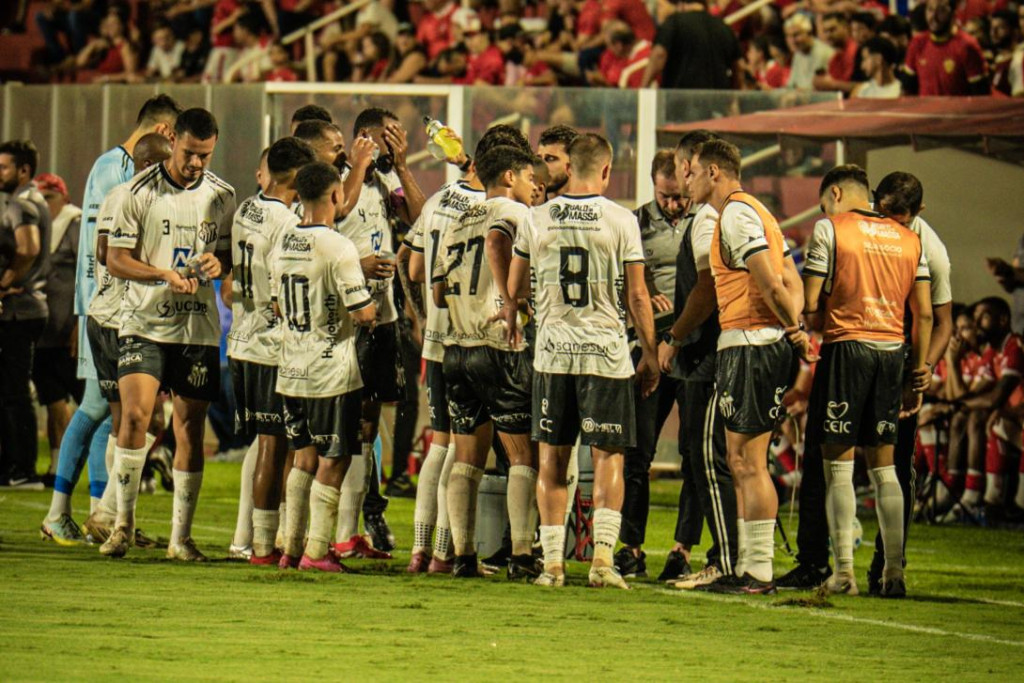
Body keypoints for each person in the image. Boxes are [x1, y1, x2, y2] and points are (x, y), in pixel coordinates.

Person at [778, 171, 954, 593]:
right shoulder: (912, 240)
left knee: (837, 466)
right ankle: (893, 572)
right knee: (886, 468)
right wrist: (918, 368)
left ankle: (843, 573)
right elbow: (926, 315)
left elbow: (812, 302)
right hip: (892, 353)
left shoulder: (833, 228)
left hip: (847, 348)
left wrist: (800, 309)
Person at [509, 133, 660, 589]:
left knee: (552, 460)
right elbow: (638, 295)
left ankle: (553, 565)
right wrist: (651, 353)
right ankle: (602, 561)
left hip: (554, 353)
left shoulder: (536, 217)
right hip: (605, 355)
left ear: (569, 167)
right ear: (607, 170)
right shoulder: (622, 220)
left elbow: (515, 288)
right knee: (608, 458)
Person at [101, 108, 236, 561]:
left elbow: (225, 259)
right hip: (144, 323)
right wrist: (162, 274)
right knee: (135, 417)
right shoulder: (135, 192)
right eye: (189, 153)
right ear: (173, 140)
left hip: (197, 328)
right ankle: (122, 525)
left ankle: (181, 539)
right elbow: (115, 259)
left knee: (189, 429)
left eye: (205, 155)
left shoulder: (222, 195)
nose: (196, 163)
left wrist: (219, 265)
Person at [685, 138, 808, 594]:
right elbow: (791, 279)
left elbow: (774, 284)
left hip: (752, 344)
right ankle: (747, 566)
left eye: (692, 172)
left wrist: (794, 328)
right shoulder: (757, 212)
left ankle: (758, 570)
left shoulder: (736, 215)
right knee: (739, 460)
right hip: (754, 342)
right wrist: (791, 324)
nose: (687, 181)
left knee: (749, 462)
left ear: (714, 171)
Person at [59, 95, 182, 544]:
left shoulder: (112, 169)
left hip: (109, 312)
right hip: (113, 316)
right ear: (165, 133)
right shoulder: (121, 176)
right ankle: (81, 513)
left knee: (116, 415)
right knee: (108, 413)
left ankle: (103, 513)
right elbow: (105, 254)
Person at [434, 144, 539, 579]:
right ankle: (521, 556)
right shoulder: (514, 213)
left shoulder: (458, 220)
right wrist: (513, 299)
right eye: (530, 177)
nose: (534, 186)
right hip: (500, 346)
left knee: (467, 459)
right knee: (522, 456)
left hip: (457, 347)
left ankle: (463, 557)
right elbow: (500, 245)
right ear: (510, 176)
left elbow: (437, 292)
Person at [273, 161, 378, 573]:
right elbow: (363, 313)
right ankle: (317, 551)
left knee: (303, 458)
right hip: (330, 372)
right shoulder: (338, 246)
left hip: (290, 369)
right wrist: (371, 305)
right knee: (334, 459)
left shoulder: (283, 240)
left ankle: (290, 547)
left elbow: (277, 305)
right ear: (336, 195)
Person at [332, 107, 425, 557]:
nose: (395, 145)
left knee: (369, 419)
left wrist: (402, 166)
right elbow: (334, 217)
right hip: (343, 317)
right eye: (389, 138)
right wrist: (360, 264)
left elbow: (422, 221)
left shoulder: (389, 181)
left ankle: (352, 530)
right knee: (340, 421)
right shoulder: (337, 178)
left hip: (383, 315)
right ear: (365, 138)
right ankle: (316, 530)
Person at [226, 137, 315, 566]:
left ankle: (262, 541)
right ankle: (264, 546)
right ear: (296, 176)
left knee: (270, 444)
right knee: (276, 448)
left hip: (242, 341)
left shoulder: (246, 208)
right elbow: (284, 294)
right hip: (271, 346)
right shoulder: (287, 223)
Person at [656, 130, 739, 590]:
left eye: (682, 169)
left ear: (693, 167)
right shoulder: (725, 215)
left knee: (708, 459)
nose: (681, 178)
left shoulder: (708, 219)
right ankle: (734, 556)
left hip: (707, 357)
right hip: (718, 353)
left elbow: (708, 288)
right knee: (718, 459)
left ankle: (724, 559)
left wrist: (674, 336)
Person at [615, 150, 684, 579]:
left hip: (694, 350)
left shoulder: (707, 220)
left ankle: (683, 551)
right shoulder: (633, 224)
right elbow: (618, 282)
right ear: (653, 185)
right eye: (665, 196)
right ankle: (631, 548)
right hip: (648, 348)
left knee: (698, 456)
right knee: (638, 451)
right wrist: (636, 303)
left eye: (680, 196)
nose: (674, 204)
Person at [0, 140, 52, 489]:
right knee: (12, 390)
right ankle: (14, 467)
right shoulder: (31, 199)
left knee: (14, 392)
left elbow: (29, 247)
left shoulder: (22, 203)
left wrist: (4, 282)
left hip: (20, 310)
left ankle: (21, 469)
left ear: (23, 170)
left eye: (4, 167)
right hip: (27, 308)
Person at [32, 173, 84, 488]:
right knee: (53, 403)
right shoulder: (36, 226)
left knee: (91, 406)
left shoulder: (75, 224)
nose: (44, 204)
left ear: (64, 198)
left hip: (69, 332)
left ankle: (117, 466)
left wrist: (81, 321)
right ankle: (57, 467)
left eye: (49, 197)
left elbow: (87, 274)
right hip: (43, 333)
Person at [642, 0, 739, 89]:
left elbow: (659, 54)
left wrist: (644, 86)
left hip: (681, 98)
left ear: (681, 4)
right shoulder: (724, 27)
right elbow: (738, 66)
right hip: (717, 99)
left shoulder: (674, 22)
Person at [904, 0, 989, 96]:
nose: (933, 17)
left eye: (941, 11)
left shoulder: (967, 45)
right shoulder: (917, 43)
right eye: (930, 9)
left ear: (953, 14)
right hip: (925, 106)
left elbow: (981, 95)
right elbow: (907, 90)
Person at [812, 12, 865, 95]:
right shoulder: (834, 58)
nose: (828, 35)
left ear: (845, 27)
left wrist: (832, 85)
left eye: (832, 30)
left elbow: (864, 86)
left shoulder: (858, 52)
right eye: (825, 31)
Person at [784, 13, 834, 91]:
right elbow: (791, 85)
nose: (792, 41)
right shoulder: (798, 54)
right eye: (788, 36)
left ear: (809, 33)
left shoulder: (822, 53)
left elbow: (816, 89)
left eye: (796, 35)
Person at [536, 125, 578, 201]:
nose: (542, 166)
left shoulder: (594, 206)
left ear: (572, 164)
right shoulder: (527, 207)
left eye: (550, 159)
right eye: (539, 159)